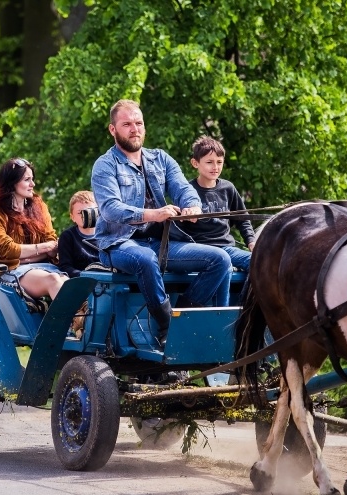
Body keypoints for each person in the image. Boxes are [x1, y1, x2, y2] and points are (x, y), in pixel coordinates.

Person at [91, 99, 231, 345]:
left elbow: (184, 189)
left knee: (220, 260)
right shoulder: (105, 165)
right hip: (118, 243)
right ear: (113, 130)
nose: (135, 129)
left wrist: (193, 206)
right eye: (127, 124)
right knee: (145, 259)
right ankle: (166, 325)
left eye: (139, 123)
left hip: (161, 241)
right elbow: (111, 209)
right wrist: (153, 214)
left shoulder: (160, 159)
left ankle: (182, 319)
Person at [0, 158, 68, 301]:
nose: (32, 184)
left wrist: (25, 255)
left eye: (32, 179)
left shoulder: (39, 206)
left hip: (44, 266)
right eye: (27, 179)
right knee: (53, 280)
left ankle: (80, 323)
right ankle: (71, 323)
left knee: (72, 283)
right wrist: (43, 248)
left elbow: (51, 241)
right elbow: (6, 249)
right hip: (12, 271)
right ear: (11, 183)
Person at [185, 135, 255, 271]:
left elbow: (243, 219)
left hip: (227, 248)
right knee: (225, 266)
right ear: (195, 163)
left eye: (219, 162)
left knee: (259, 262)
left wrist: (251, 242)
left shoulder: (228, 188)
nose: (215, 167)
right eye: (209, 162)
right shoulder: (187, 191)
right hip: (200, 250)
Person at [58, 190, 100, 277]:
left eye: (89, 211)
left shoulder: (108, 234)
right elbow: (65, 267)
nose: (85, 215)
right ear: (72, 217)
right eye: (80, 212)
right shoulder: (68, 237)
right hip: (82, 281)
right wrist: (84, 276)